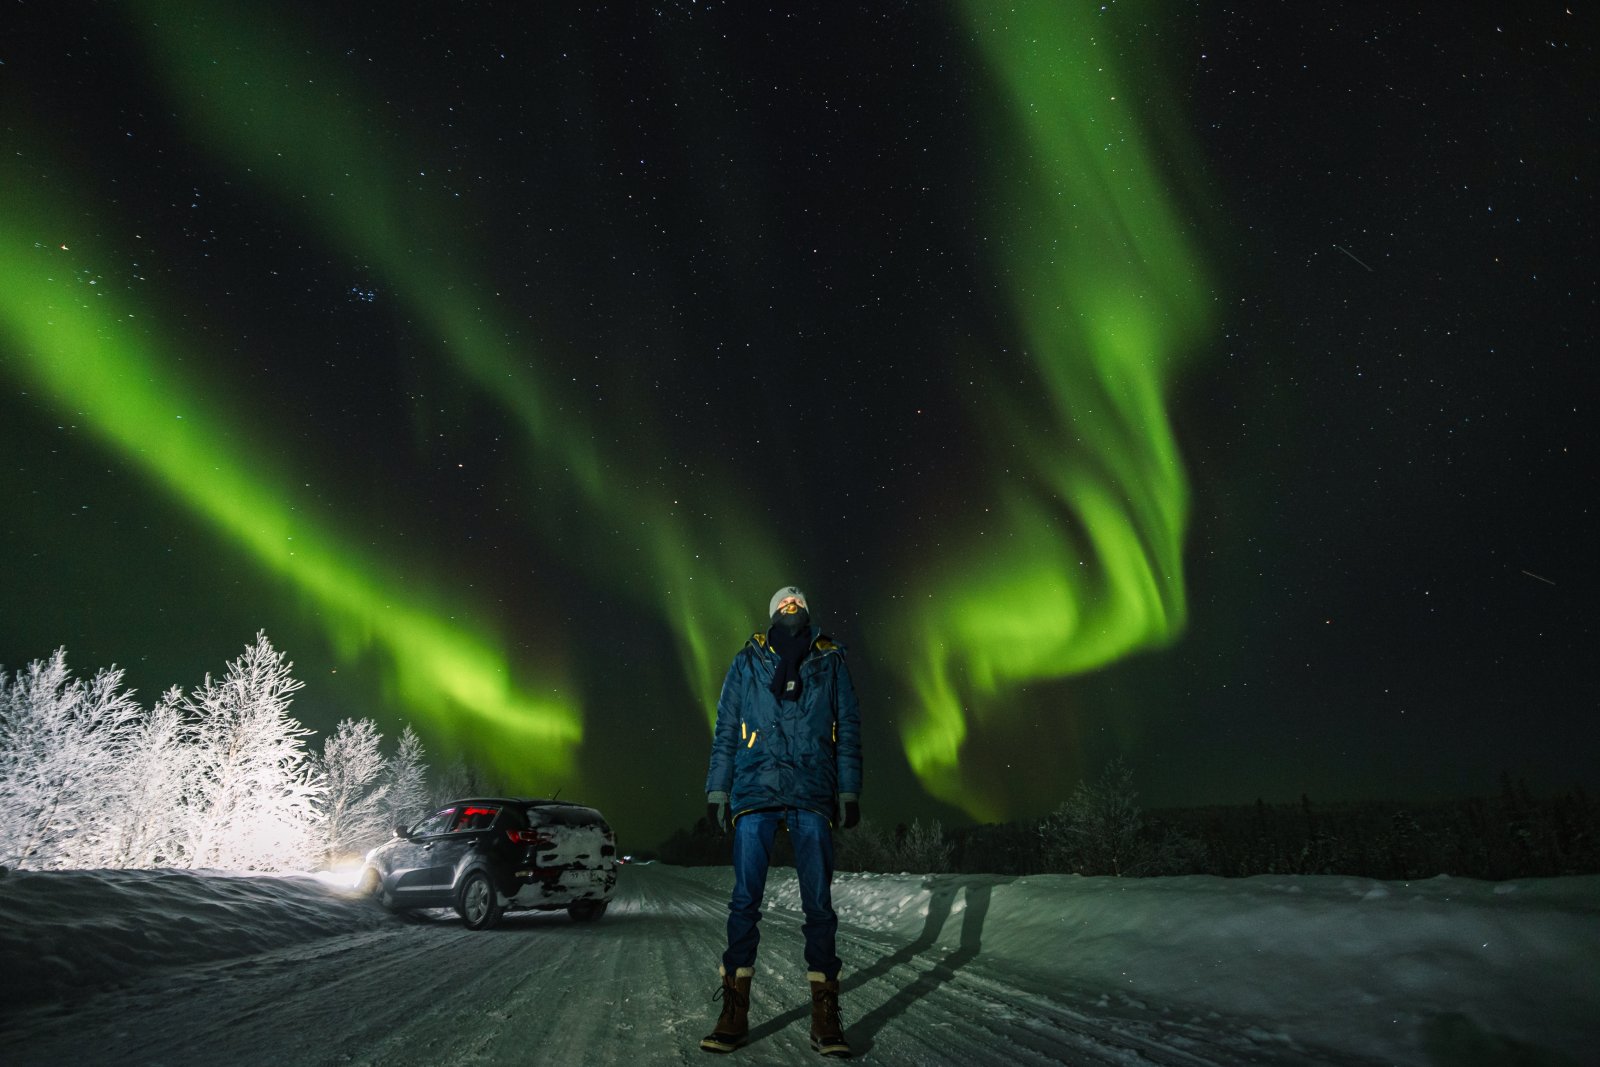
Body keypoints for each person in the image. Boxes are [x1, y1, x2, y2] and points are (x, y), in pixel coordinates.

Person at [700, 586, 862, 1057]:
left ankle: (825, 1019)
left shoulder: (830, 662)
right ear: (772, 614)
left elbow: (848, 725)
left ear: (808, 612)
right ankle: (734, 1012)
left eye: (798, 605)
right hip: (755, 791)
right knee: (744, 902)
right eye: (782, 606)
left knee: (819, 906)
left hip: (812, 790)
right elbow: (727, 727)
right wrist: (718, 788)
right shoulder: (747, 662)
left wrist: (848, 789)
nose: (790, 609)